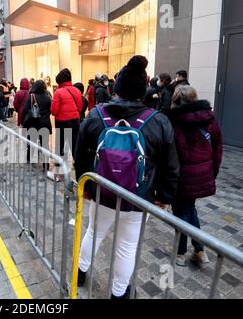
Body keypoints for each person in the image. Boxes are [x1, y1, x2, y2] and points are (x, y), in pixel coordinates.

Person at [75, 56, 179, 299]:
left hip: (101, 193)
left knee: (94, 233)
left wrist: (85, 186)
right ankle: (118, 293)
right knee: (126, 247)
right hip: (138, 198)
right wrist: (164, 197)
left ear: (117, 89)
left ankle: (79, 272)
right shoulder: (159, 121)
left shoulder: (95, 116)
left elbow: (79, 156)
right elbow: (171, 165)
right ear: (144, 91)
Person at [166, 85, 223, 267]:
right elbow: (218, 149)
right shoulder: (210, 120)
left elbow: (170, 155)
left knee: (181, 212)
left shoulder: (173, 121)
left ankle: (182, 252)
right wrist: (212, 171)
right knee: (190, 209)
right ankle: (199, 250)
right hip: (203, 173)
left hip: (181, 176)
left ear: (175, 100)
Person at [50, 68, 83, 162]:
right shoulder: (77, 90)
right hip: (75, 121)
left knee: (60, 143)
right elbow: (80, 108)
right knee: (74, 143)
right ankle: (76, 161)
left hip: (62, 122)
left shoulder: (58, 92)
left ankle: (58, 162)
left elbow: (54, 111)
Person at [21, 80, 52, 168]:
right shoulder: (47, 97)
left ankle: (29, 158)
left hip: (33, 123)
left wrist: (23, 122)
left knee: (31, 141)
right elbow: (51, 110)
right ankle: (46, 164)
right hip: (45, 123)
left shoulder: (31, 96)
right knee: (44, 144)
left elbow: (25, 110)